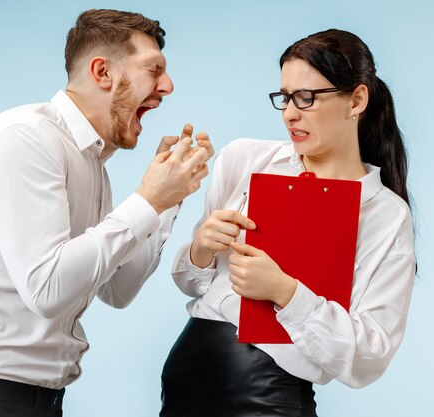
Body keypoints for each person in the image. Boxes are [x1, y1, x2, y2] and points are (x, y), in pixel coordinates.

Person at [0, 9, 213, 417]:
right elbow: (47, 288)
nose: (168, 85)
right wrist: (147, 200)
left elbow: (118, 290)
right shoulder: (25, 139)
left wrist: (164, 202)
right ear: (102, 72)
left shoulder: (91, 165)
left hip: (42, 404)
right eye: (154, 69)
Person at [160, 29, 416, 417]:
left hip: (269, 398)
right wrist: (200, 249)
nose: (290, 113)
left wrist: (285, 291)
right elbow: (191, 285)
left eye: (307, 98)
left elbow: (368, 355)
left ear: (357, 99)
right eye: (285, 97)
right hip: (183, 386)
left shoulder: (383, 213)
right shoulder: (244, 159)